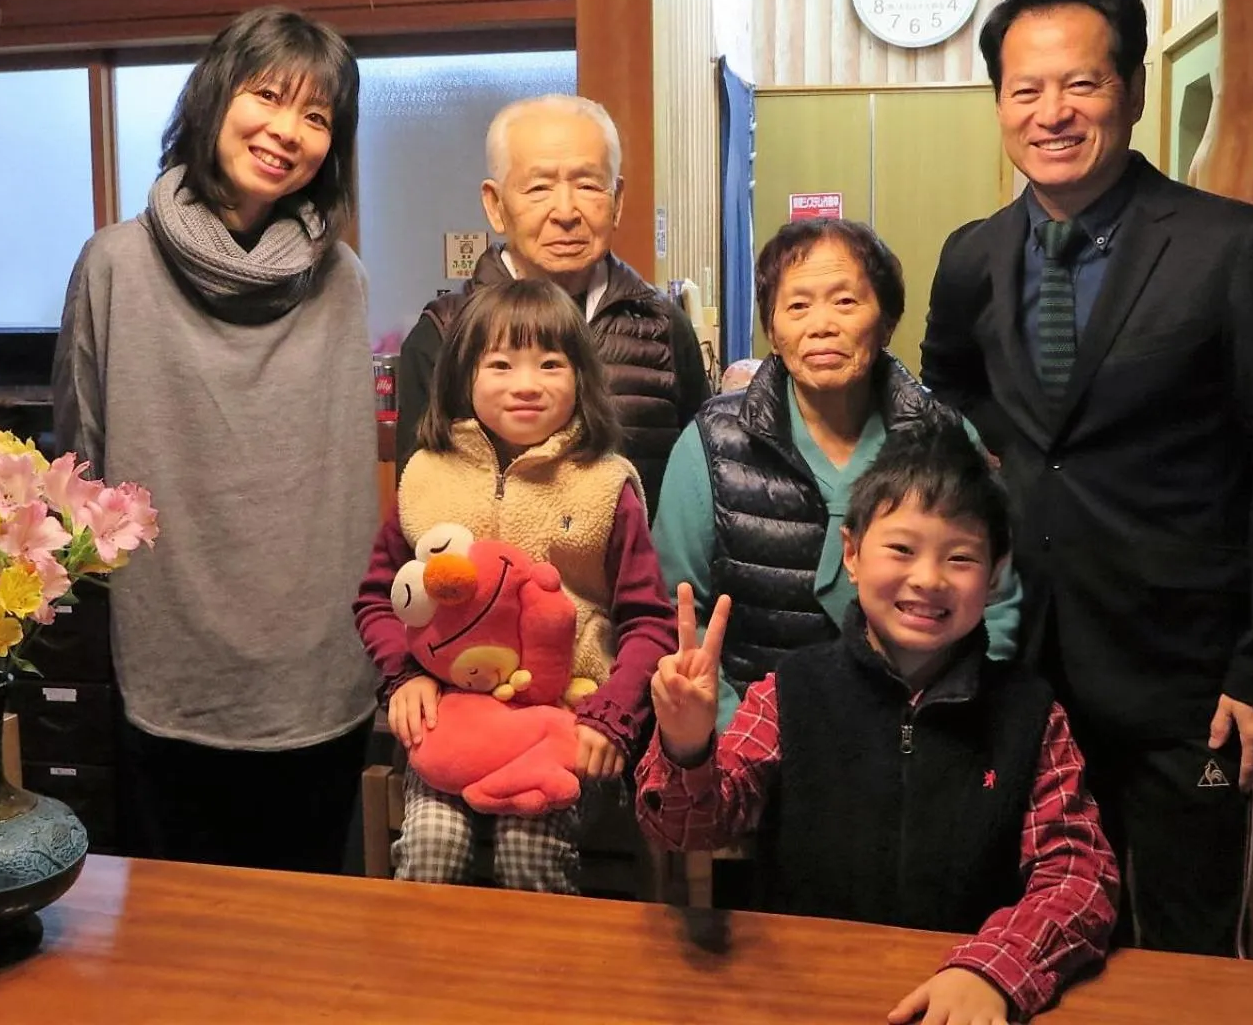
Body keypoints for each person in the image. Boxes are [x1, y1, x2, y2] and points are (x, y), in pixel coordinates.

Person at [920, 0, 1253, 956]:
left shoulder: (1237, 250)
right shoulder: (972, 255)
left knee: (1185, 935)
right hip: (1017, 658)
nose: (1051, 113)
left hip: (1184, 675)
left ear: (1134, 90)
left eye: (1082, 83)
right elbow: (951, 392)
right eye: (1024, 90)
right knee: (1025, 911)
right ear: (998, 104)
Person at [638, 411, 1117, 1025]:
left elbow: (1080, 875)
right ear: (853, 553)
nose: (927, 579)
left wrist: (994, 969)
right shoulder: (790, 691)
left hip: (961, 1003)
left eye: (960, 558)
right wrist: (685, 746)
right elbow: (693, 829)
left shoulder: (1029, 715)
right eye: (901, 548)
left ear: (996, 574)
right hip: (803, 993)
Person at [54, 6, 378, 873]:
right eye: (268, 95)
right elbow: (77, 467)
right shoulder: (115, 263)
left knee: (310, 923)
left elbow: (342, 477)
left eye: (317, 116)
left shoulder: (341, 278)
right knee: (178, 921)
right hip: (170, 650)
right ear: (213, 98)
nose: (287, 131)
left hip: (315, 657)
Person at [356, 279, 676, 892]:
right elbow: (378, 596)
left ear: (581, 377)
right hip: (452, 719)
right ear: (463, 376)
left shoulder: (607, 484)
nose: (526, 384)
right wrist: (404, 674)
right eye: (501, 364)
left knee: (528, 851)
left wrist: (610, 718)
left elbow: (648, 622)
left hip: (565, 721)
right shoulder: (425, 476)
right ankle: (433, 984)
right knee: (429, 851)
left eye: (550, 364)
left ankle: (539, 986)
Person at [652, 217, 1021, 728]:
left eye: (845, 302)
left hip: (918, 735)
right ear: (773, 331)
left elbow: (997, 599)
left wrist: (949, 722)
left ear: (887, 321)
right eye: (797, 305)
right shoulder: (714, 442)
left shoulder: (944, 436)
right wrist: (739, 739)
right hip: (754, 736)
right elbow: (675, 609)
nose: (821, 324)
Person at [395, 94, 710, 513]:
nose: (565, 211)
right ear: (495, 204)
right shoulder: (444, 333)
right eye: (539, 187)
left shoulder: (662, 327)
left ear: (616, 200)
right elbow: (418, 505)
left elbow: (698, 488)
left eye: (587, 185)